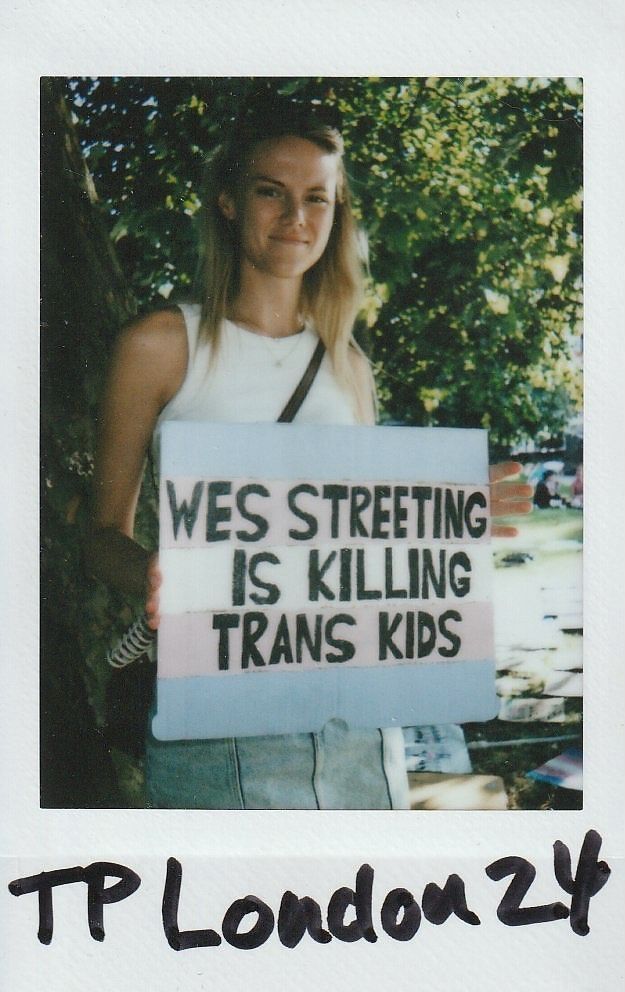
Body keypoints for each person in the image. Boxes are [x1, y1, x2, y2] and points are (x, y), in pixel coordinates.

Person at [86, 93, 532, 810]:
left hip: (354, 713)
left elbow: (350, 541)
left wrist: (437, 515)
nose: (296, 218)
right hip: (218, 717)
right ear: (229, 202)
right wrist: (152, 572)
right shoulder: (160, 343)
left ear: (336, 212)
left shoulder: (349, 364)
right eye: (272, 192)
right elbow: (98, 538)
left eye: (316, 198)